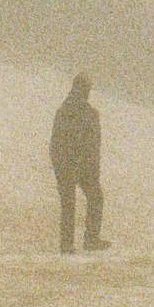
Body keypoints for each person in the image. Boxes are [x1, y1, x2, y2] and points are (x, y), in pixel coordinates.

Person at [49, 72, 106, 255]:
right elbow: (61, 142)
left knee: (75, 202)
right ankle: (85, 240)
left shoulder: (69, 110)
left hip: (75, 166)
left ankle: (74, 243)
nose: (87, 92)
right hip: (74, 165)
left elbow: (56, 143)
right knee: (80, 200)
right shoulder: (79, 112)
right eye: (86, 88)